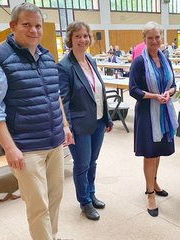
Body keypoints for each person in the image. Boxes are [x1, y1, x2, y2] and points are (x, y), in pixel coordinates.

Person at [0, 3, 74, 240]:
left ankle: (50, 236)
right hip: (26, 148)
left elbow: (55, 96)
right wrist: (10, 149)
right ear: (12, 26)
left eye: (38, 25)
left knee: (55, 197)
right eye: (27, 25)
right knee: (38, 205)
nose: (34, 30)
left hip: (53, 142)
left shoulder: (46, 55)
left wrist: (64, 126)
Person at [58, 21, 113, 221]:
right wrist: (67, 128)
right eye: (78, 36)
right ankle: (85, 202)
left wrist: (106, 117)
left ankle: (91, 193)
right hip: (79, 126)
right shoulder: (64, 66)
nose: (83, 39)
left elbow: (99, 92)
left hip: (97, 121)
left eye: (85, 35)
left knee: (92, 162)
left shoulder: (91, 60)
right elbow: (62, 101)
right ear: (70, 39)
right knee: (81, 165)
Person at [129, 21, 178, 217]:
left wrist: (168, 93)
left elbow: (174, 84)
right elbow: (133, 89)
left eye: (157, 37)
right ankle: (150, 194)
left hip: (164, 111)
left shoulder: (165, 59)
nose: (154, 41)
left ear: (161, 38)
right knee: (150, 153)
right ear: (144, 39)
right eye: (150, 38)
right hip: (147, 113)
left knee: (157, 151)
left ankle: (154, 182)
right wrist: (154, 96)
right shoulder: (139, 62)